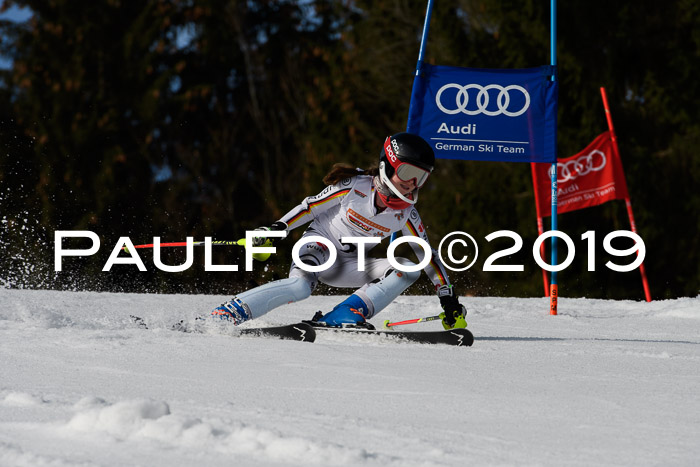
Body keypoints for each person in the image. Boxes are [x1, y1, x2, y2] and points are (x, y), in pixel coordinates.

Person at [211, 132, 467, 329]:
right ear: (387, 167)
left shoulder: (406, 214)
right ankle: (231, 311)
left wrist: (447, 295)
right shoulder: (354, 186)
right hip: (318, 246)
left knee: (405, 268)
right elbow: (309, 207)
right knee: (300, 288)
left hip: (348, 266)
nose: (412, 184)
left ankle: (344, 314)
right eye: (408, 172)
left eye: (420, 177)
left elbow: (426, 255)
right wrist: (277, 228)